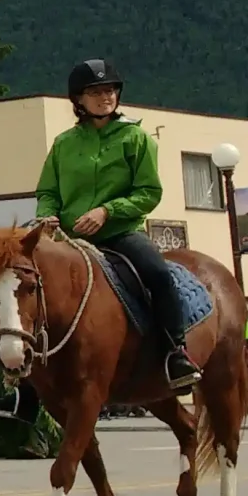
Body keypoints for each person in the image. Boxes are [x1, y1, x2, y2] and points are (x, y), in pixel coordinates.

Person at [33, 58, 195, 389]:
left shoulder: (136, 138)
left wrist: (107, 211)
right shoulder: (64, 143)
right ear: (78, 99)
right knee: (23, 283)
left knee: (159, 275)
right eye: (96, 92)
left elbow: (149, 192)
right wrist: (47, 214)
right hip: (69, 238)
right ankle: (19, 380)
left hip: (120, 234)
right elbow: (48, 191)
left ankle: (175, 353)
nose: (105, 96)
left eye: (110, 90)